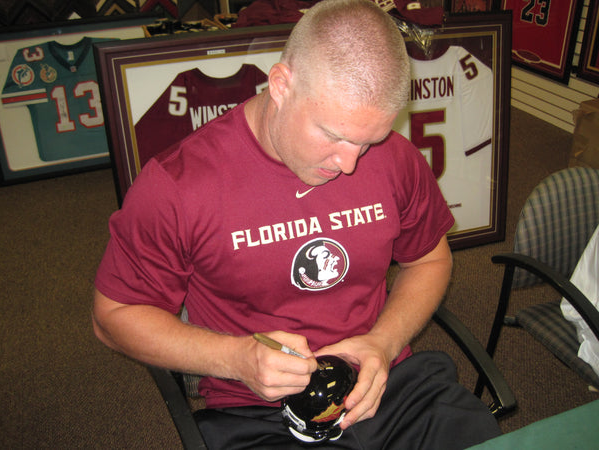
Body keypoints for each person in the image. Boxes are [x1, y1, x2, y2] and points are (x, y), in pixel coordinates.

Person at [92, 0, 502, 448]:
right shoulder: (178, 185)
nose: (349, 164)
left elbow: (428, 261)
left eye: (369, 141)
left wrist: (382, 343)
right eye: (334, 135)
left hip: (382, 385)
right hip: (257, 408)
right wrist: (239, 358)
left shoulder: (396, 159)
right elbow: (113, 317)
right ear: (282, 84)